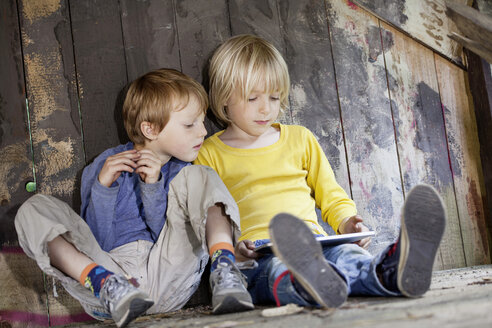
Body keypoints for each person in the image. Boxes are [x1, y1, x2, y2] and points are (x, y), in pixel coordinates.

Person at [195, 34, 446, 308]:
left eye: (274, 96)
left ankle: (389, 274)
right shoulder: (210, 153)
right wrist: (235, 250)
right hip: (257, 253)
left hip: (316, 243)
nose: (266, 107)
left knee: (348, 255)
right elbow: (211, 218)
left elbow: (330, 194)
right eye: (252, 97)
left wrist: (349, 222)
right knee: (278, 270)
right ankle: (309, 286)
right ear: (223, 98)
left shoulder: (300, 139)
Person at [15, 68, 253, 328]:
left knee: (202, 175)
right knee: (32, 208)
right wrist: (103, 187)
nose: (202, 132)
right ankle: (101, 282)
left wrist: (153, 187)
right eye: (190, 124)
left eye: (202, 121)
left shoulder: (183, 172)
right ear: (149, 129)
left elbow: (166, 235)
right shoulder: (103, 166)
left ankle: (225, 268)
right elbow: (97, 240)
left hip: (168, 277)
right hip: (111, 287)